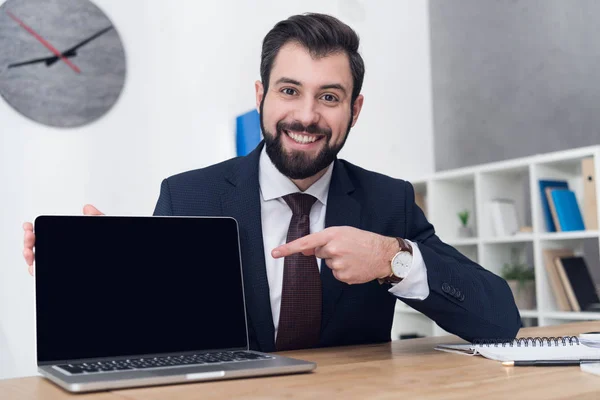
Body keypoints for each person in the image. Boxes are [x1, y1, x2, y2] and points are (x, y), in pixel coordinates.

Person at [23, 13, 521, 352]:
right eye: (289, 91)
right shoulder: (188, 196)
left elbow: (498, 320)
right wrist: (89, 278)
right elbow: (150, 336)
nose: (306, 116)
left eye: (329, 97)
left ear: (355, 109)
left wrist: (392, 259)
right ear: (261, 95)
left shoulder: (388, 201)